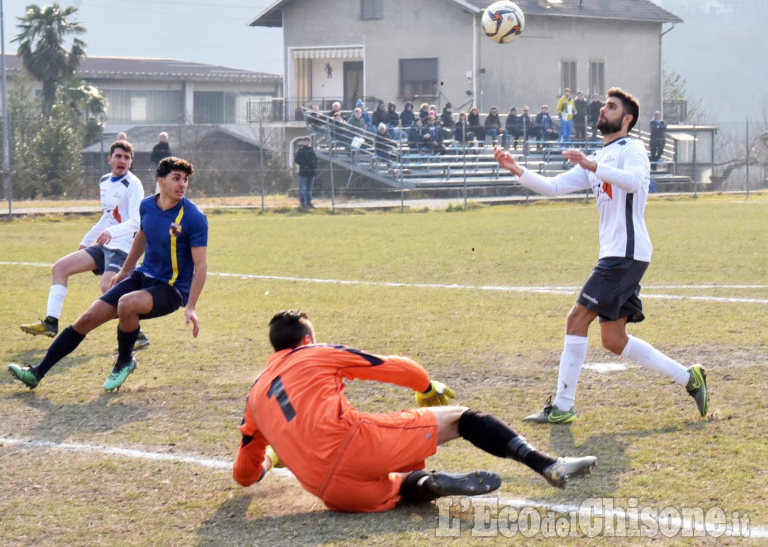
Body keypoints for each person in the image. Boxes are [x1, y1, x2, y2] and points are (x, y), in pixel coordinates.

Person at [232, 310, 597, 513]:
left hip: (331, 493)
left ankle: (425, 483)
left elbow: (244, 475)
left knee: (399, 484)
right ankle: (548, 464)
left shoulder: (255, 394)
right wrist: (424, 386)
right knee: (461, 418)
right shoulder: (314, 353)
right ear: (307, 340)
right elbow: (398, 368)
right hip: (355, 444)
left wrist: (268, 461)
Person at [494, 87, 709, 424]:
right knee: (613, 339)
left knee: (576, 319)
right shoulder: (597, 157)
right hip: (618, 254)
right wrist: (517, 169)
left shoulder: (633, 148)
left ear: (626, 119)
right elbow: (552, 187)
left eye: (611, 107)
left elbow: (637, 181)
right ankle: (690, 377)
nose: (603, 110)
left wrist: (592, 164)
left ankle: (563, 407)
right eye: (604, 105)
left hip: (625, 253)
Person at [9, 157, 209, 392]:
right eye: (176, 178)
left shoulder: (194, 218)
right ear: (160, 181)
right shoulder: (146, 206)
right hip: (142, 276)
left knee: (127, 303)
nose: (182, 184)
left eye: (185, 180)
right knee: (86, 319)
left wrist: (191, 306)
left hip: (172, 289)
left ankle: (124, 361)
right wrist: (125, 271)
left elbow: (201, 266)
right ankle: (36, 373)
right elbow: (141, 238)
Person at [20, 140, 150, 351]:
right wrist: (85, 241)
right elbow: (106, 217)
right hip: (105, 243)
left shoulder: (133, 185)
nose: (122, 160)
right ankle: (51, 322)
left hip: (123, 246)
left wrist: (111, 232)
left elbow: (136, 222)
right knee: (60, 267)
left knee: (108, 286)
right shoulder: (105, 181)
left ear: (131, 162)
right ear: (110, 160)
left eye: (126, 158)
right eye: (118, 156)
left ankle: (138, 335)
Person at [294, 137, 317, 209]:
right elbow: (297, 160)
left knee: (309, 189)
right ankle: (302, 202)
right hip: (303, 172)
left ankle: (309, 202)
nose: (307, 142)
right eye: (306, 141)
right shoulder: (300, 151)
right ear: (303, 142)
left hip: (311, 172)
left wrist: (314, 167)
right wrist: (304, 165)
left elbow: (315, 160)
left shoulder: (312, 150)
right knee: (303, 189)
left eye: (308, 141)